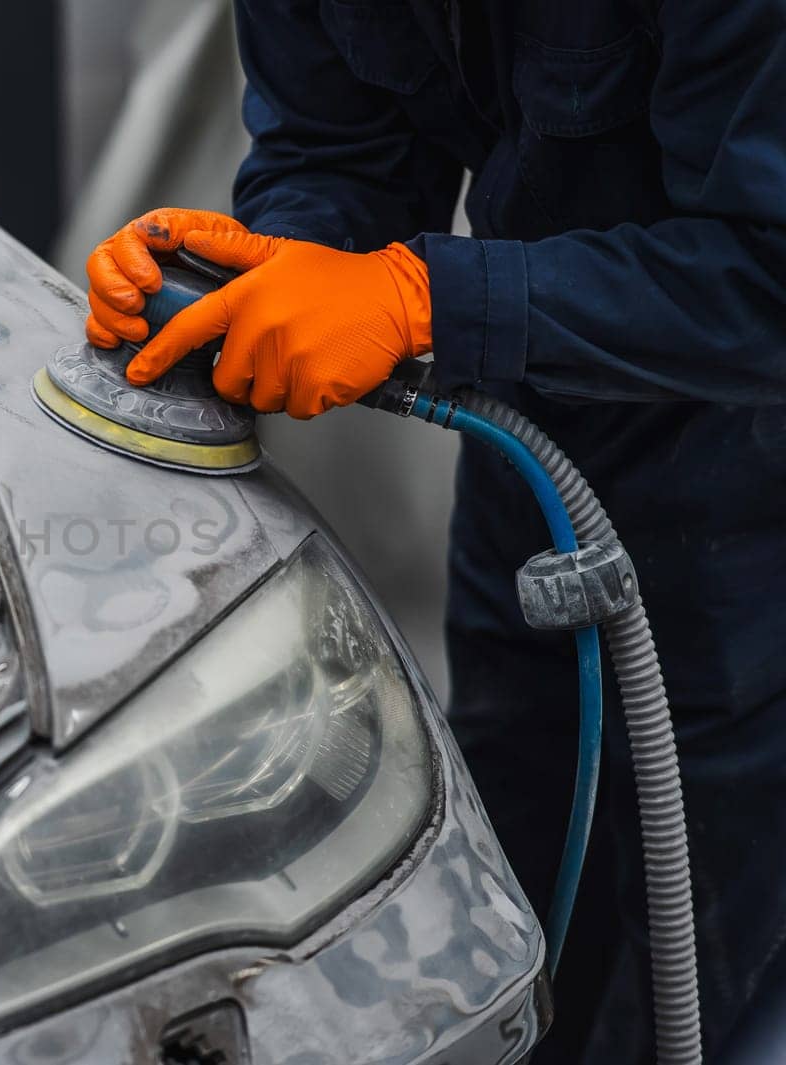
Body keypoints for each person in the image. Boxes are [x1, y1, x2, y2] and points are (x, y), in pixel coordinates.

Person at [83, 2, 786, 1062]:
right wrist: (260, 275)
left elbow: (768, 277)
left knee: (684, 951)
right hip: (541, 462)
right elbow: (336, 146)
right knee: (505, 878)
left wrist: (425, 302)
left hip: (750, 500)